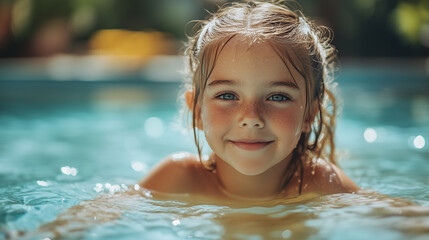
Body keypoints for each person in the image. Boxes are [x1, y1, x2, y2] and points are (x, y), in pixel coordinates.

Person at [140, 0, 360, 202]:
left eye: (278, 97)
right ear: (197, 110)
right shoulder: (178, 178)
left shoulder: (324, 186)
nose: (251, 117)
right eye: (227, 95)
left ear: (309, 114)